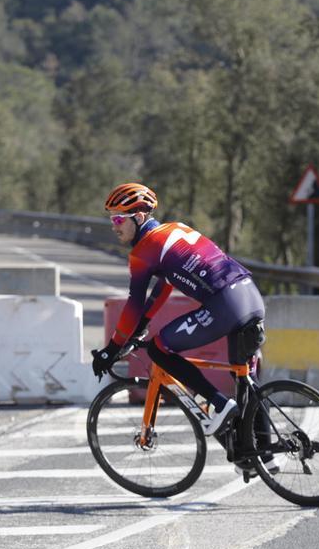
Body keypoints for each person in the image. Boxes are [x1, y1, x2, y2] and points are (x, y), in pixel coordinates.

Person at [90, 182, 264, 436]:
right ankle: (262, 455)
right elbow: (164, 287)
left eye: (118, 219)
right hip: (251, 295)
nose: (114, 226)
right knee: (245, 379)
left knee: (159, 348)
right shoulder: (175, 229)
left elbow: (134, 303)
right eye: (112, 220)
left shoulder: (143, 251)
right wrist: (140, 327)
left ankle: (219, 403)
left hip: (226, 304)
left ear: (138, 217)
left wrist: (112, 348)